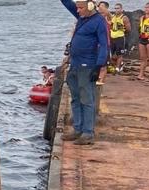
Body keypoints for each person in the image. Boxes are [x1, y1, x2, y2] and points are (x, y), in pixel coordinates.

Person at [59, 0, 109, 145]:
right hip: (74, 65)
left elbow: (105, 45)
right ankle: (78, 129)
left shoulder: (99, 21)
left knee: (87, 100)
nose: (78, 11)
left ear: (90, 7)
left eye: (80, 8)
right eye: (77, 8)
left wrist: (99, 66)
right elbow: (67, 3)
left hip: (87, 66)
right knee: (75, 98)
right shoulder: (82, 16)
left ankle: (88, 132)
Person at [109, 3, 131, 73]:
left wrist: (122, 32)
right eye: (115, 8)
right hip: (112, 38)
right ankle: (117, 64)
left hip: (120, 38)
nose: (116, 10)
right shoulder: (113, 17)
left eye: (118, 8)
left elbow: (128, 29)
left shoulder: (124, 18)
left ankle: (117, 68)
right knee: (111, 54)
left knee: (120, 54)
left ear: (121, 9)